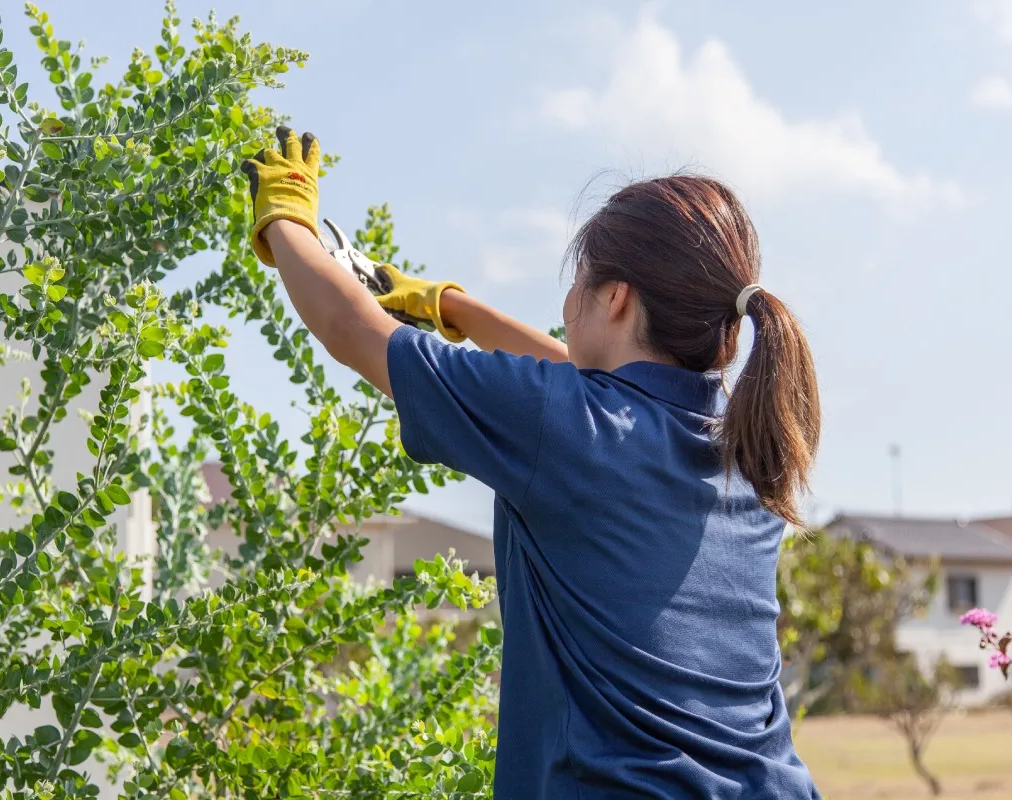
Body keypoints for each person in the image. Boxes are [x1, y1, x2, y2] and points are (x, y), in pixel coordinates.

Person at [239, 126, 822, 800]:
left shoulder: (568, 427)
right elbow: (585, 394)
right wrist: (447, 307)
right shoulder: (744, 446)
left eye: (576, 282)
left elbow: (350, 332)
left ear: (616, 297)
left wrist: (285, 218)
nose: (565, 307)